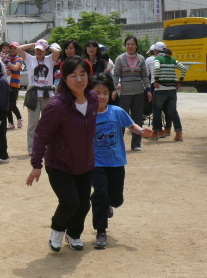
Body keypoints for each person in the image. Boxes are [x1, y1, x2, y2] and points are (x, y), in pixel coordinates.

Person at [26, 56, 99, 252]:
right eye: (73, 75)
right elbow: (41, 135)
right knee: (70, 202)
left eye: (83, 74)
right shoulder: (57, 105)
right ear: (64, 79)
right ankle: (57, 232)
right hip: (59, 164)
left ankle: (73, 234)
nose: (79, 79)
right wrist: (36, 165)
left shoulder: (93, 98)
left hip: (85, 163)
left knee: (84, 205)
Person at [90, 74, 151, 249]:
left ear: (110, 94)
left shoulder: (116, 111)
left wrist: (141, 131)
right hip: (96, 163)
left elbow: (131, 125)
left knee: (116, 199)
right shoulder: (87, 114)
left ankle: (108, 204)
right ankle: (101, 231)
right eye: (97, 93)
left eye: (104, 93)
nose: (101, 96)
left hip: (116, 162)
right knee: (100, 193)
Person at [16, 39, 61, 155]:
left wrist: (48, 46)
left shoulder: (49, 59)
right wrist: (33, 44)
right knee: (33, 123)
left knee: (48, 123)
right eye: (37, 50)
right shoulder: (30, 59)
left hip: (47, 95)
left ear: (45, 51)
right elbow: (18, 49)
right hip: (34, 95)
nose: (38, 52)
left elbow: (57, 52)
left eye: (41, 50)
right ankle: (32, 149)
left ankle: (48, 147)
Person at [112, 36, 152, 151]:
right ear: (125, 46)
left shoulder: (141, 59)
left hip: (139, 91)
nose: (130, 46)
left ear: (136, 46)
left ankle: (136, 144)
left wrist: (148, 90)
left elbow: (144, 75)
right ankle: (119, 144)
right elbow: (116, 75)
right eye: (128, 44)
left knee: (137, 118)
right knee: (122, 118)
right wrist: (115, 89)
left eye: (132, 44)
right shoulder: (120, 58)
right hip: (124, 92)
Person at [150, 42, 187, 142]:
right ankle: (178, 133)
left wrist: (156, 80)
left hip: (160, 89)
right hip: (172, 90)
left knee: (157, 112)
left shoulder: (157, 59)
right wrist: (180, 81)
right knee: (173, 112)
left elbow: (157, 68)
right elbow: (183, 68)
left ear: (156, 51)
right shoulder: (172, 59)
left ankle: (155, 133)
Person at [5, 42, 24, 130]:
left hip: (15, 85)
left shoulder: (19, 59)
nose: (12, 50)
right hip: (6, 84)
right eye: (11, 48)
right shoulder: (8, 58)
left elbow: (15, 68)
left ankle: (19, 118)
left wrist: (6, 62)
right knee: (7, 105)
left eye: (14, 48)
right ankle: (11, 123)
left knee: (12, 104)